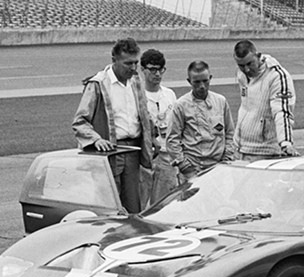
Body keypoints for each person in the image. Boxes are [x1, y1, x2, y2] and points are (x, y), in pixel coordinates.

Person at [71, 37, 153, 213]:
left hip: (134, 152)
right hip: (110, 153)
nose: (133, 68)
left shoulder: (136, 81)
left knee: (134, 206)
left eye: (136, 63)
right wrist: (96, 139)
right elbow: (80, 121)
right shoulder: (98, 84)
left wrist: (152, 138)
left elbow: (144, 115)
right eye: (128, 63)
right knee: (109, 206)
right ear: (114, 60)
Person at [166, 60, 235, 181]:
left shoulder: (221, 102)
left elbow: (230, 133)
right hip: (193, 170)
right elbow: (172, 140)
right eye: (197, 82)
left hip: (219, 168)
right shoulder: (181, 105)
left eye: (205, 81)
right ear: (189, 81)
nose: (202, 86)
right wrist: (185, 166)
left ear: (210, 78)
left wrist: (227, 159)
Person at [232, 39, 299, 161]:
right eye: (241, 65)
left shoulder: (277, 76)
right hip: (239, 149)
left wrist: (286, 143)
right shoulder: (241, 74)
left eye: (250, 64)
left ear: (258, 56)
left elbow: (282, 111)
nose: (246, 69)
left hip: (265, 152)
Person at [140, 49, 178, 203]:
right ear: (143, 70)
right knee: (141, 200)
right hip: (146, 157)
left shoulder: (169, 95)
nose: (157, 74)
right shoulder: (138, 96)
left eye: (161, 70)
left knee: (165, 201)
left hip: (167, 156)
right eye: (153, 70)